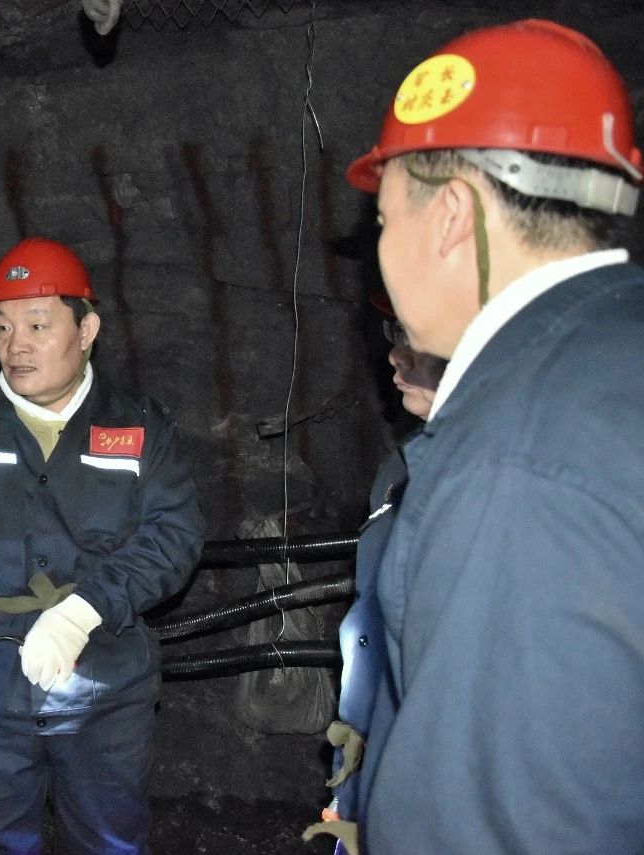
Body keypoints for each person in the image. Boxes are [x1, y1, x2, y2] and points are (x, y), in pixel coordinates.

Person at [346, 19, 644, 850]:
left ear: (450, 216)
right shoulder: (616, 350)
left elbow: (489, 822)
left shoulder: (513, 467)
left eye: (382, 221)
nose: (378, 250)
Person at [0, 236, 205, 853]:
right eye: (3, 327)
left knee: (108, 843)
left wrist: (83, 610)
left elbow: (174, 536)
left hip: (104, 686)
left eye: (37, 325)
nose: (16, 345)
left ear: (86, 330)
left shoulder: (139, 426)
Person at [307, 301, 446, 854]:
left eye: (415, 333)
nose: (394, 353)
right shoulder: (402, 469)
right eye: (396, 331)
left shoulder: (504, 488)